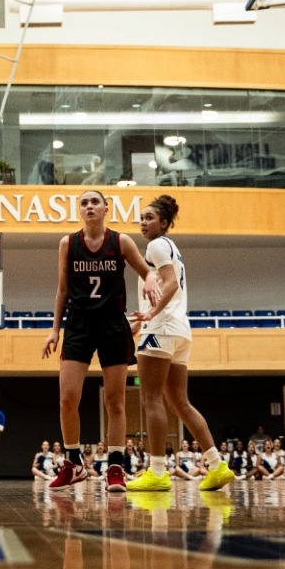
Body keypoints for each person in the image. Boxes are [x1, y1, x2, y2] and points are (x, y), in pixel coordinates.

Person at [42, 188, 153, 494]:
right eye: (84, 203)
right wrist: (54, 329)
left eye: (95, 202)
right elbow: (62, 289)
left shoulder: (121, 242)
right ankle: (74, 463)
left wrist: (153, 291)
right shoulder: (68, 243)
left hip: (112, 326)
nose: (89, 206)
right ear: (81, 211)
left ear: (106, 209)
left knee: (115, 401)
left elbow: (147, 272)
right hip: (78, 325)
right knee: (67, 398)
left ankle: (115, 467)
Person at [123, 195, 233, 493]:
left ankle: (157, 471)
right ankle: (217, 465)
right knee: (180, 403)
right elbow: (170, 283)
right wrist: (143, 321)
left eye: (149, 218)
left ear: (164, 223)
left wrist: (150, 314)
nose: (143, 223)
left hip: (161, 328)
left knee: (151, 400)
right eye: (141, 218)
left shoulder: (156, 245)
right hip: (180, 331)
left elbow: (169, 283)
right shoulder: (172, 248)